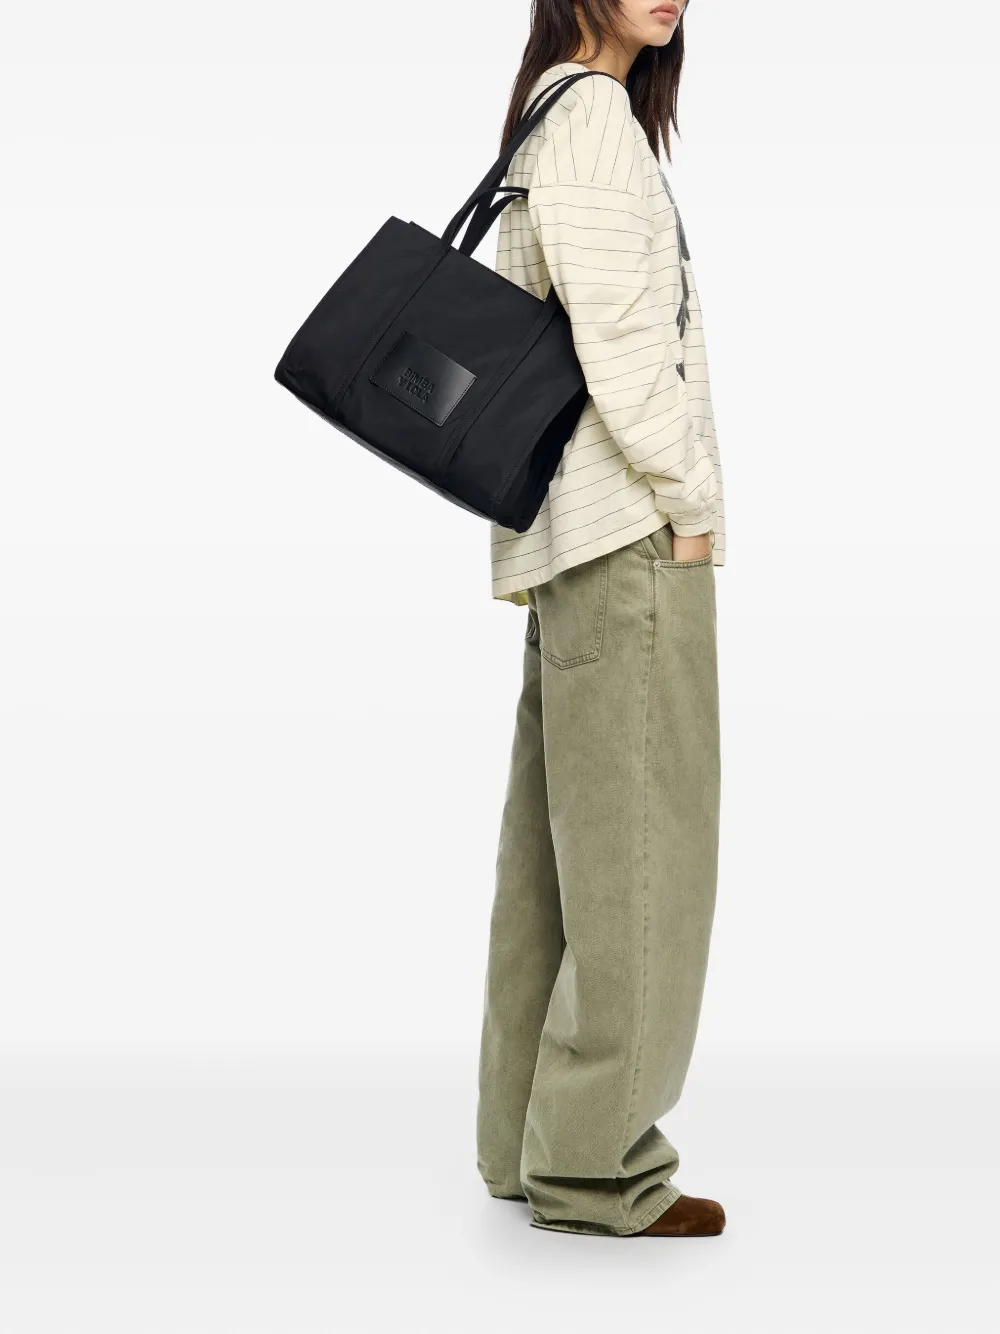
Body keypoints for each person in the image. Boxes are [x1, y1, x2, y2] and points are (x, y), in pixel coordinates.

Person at [476, 0, 728, 1238]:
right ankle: (595, 1169)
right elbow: (622, 344)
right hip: (628, 535)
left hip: (576, 539)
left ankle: (522, 1147)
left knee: (559, 865)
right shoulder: (591, 126)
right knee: (642, 856)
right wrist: (692, 503)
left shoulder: (558, 116)